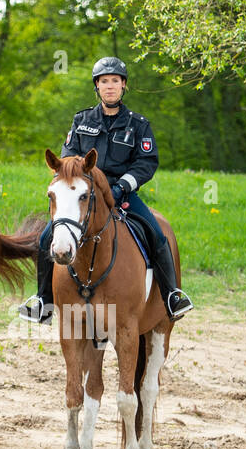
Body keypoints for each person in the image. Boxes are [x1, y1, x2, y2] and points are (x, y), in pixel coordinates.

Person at [19, 56, 193, 323]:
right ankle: (43, 301)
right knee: (45, 238)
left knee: (157, 235)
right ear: (96, 87)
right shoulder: (82, 120)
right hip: (84, 195)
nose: (109, 86)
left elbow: (146, 163)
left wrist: (124, 185)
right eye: (104, 81)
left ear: (123, 86)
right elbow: (68, 158)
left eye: (115, 81)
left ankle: (171, 295)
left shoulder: (138, 124)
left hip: (122, 193)